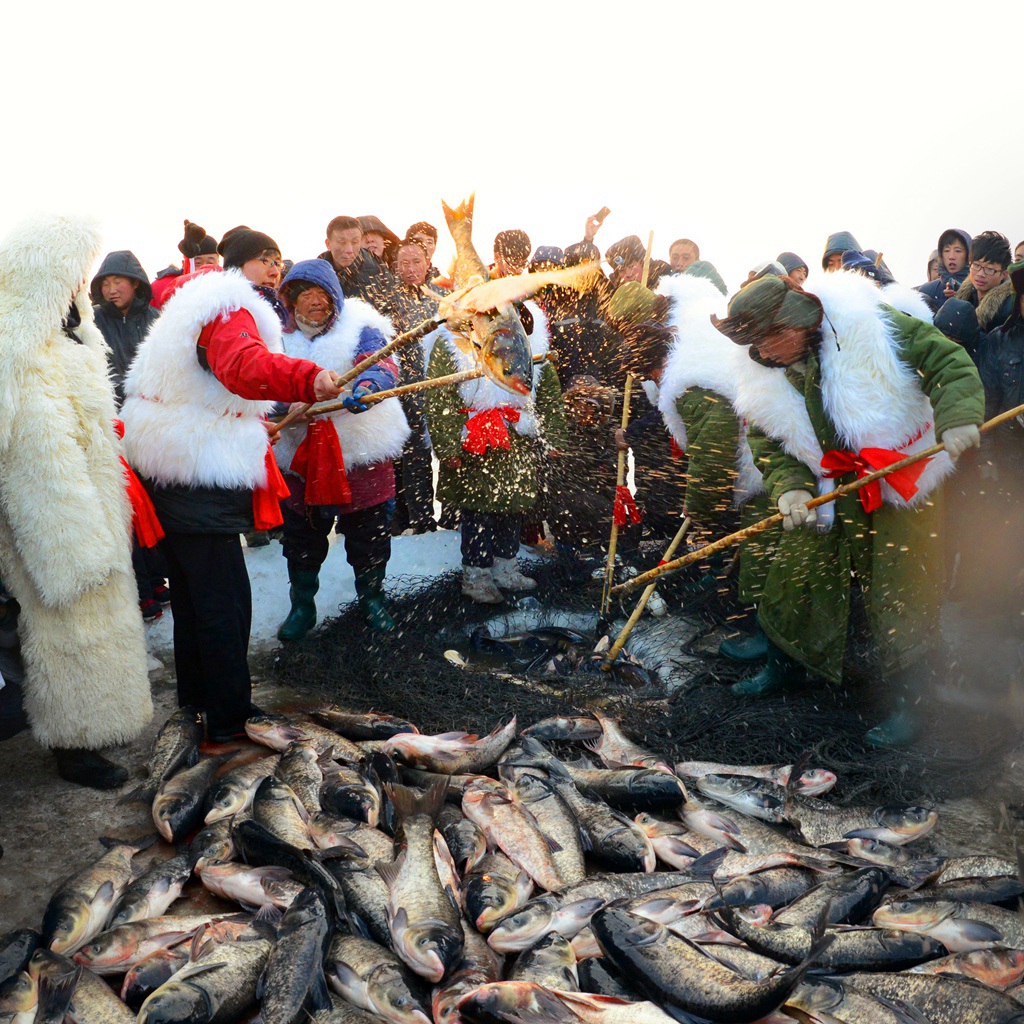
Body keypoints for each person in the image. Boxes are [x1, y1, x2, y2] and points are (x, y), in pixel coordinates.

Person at [720, 272, 984, 747]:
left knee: (902, 588)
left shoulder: (874, 325)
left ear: (795, 321)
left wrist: (959, 414)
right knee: (797, 575)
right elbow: (767, 438)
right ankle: (788, 667)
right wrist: (790, 488)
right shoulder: (760, 369)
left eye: (768, 339)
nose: (762, 353)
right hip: (827, 487)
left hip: (897, 478)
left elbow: (947, 361)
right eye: (753, 344)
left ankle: (911, 703)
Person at [122, 226, 344, 743]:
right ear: (239, 264)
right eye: (267, 259)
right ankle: (229, 717)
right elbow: (242, 366)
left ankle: (198, 702)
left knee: (197, 598)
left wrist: (242, 419)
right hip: (196, 470)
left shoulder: (192, 302)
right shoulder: (227, 306)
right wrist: (307, 378)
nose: (276, 269)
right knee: (224, 601)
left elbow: (200, 386)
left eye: (279, 260)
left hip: (170, 462)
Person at [0, 213, 152, 788]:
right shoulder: (22, 354)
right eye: (68, 275)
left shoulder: (74, 338)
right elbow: (38, 460)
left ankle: (100, 724)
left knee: (103, 622)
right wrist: (72, 542)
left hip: (95, 513)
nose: (78, 287)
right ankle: (74, 745)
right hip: (58, 526)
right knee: (65, 630)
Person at [273, 260, 409, 637]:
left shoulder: (361, 326)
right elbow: (263, 388)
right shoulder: (276, 339)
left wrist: (367, 388)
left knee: (370, 535)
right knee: (302, 537)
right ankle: (302, 605)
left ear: (334, 297)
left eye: (321, 294)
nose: (314, 303)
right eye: (304, 296)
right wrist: (286, 407)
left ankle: (372, 598)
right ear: (290, 302)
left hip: (361, 451)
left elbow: (380, 365)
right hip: (303, 457)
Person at [425, 311, 567, 603]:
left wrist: (554, 436)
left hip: (518, 438)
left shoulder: (531, 346)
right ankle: (476, 575)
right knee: (478, 511)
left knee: (513, 506)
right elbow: (440, 398)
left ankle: (506, 567)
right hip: (475, 440)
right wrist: (448, 445)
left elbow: (550, 398)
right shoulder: (454, 345)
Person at [89, 251, 167, 621]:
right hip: (115, 427)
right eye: (104, 283)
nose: (109, 289)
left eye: (116, 281)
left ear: (135, 282)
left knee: (157, 503)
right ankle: (142, 586)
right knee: (129, 509)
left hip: (152, 425)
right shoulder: (94, 322)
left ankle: (158, 577)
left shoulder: (156, 320)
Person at [382, 238, 444, 535]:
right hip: (406, 390)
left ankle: (452, 514)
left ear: (427, 262)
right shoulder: (387, 300)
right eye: (403, 263)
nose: (410, 269)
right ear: (395, 267)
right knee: (413, 457)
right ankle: (420, 520)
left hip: (442, 387)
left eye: (416, 262)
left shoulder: (442, 295)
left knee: (448, 452)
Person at [319, 215, 395, 311]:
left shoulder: (379, 273)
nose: (349, 250)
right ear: (328, 244)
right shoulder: (316, 274)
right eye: (342, 242)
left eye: (355, 242)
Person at [953, 230, 1015, 331]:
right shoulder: (963, 299)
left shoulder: (1009, 309)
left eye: (989, 269)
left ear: (1004, 274)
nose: (980, 274)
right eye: (976, 265)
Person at [151, 221, 221, 309]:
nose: (204, 267)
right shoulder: (161, 287)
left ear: (218, 263)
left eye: (210, 263)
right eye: (198, 263)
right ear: (184, 264)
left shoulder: (227, 291)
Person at [917, 228, 972, 313]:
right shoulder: (926, 291)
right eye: (946, 250)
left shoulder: (978, 291)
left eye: (958, 251)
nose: (951, 256)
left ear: (968, 255)